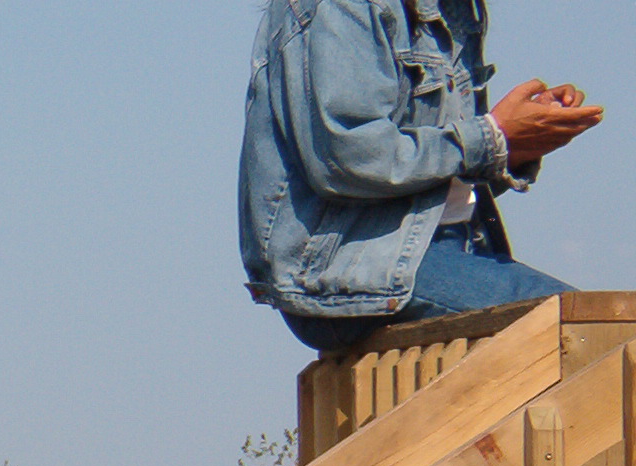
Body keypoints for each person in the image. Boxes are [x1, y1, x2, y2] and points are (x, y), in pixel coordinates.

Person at [238, 0, 603, 351]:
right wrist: (492, 137)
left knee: (597, 328)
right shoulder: (343, 5)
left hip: (436, 252)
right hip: (357, 268)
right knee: (592, 329)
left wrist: (516, 142)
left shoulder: (454, 9)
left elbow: (435, 169)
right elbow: (348, 161)